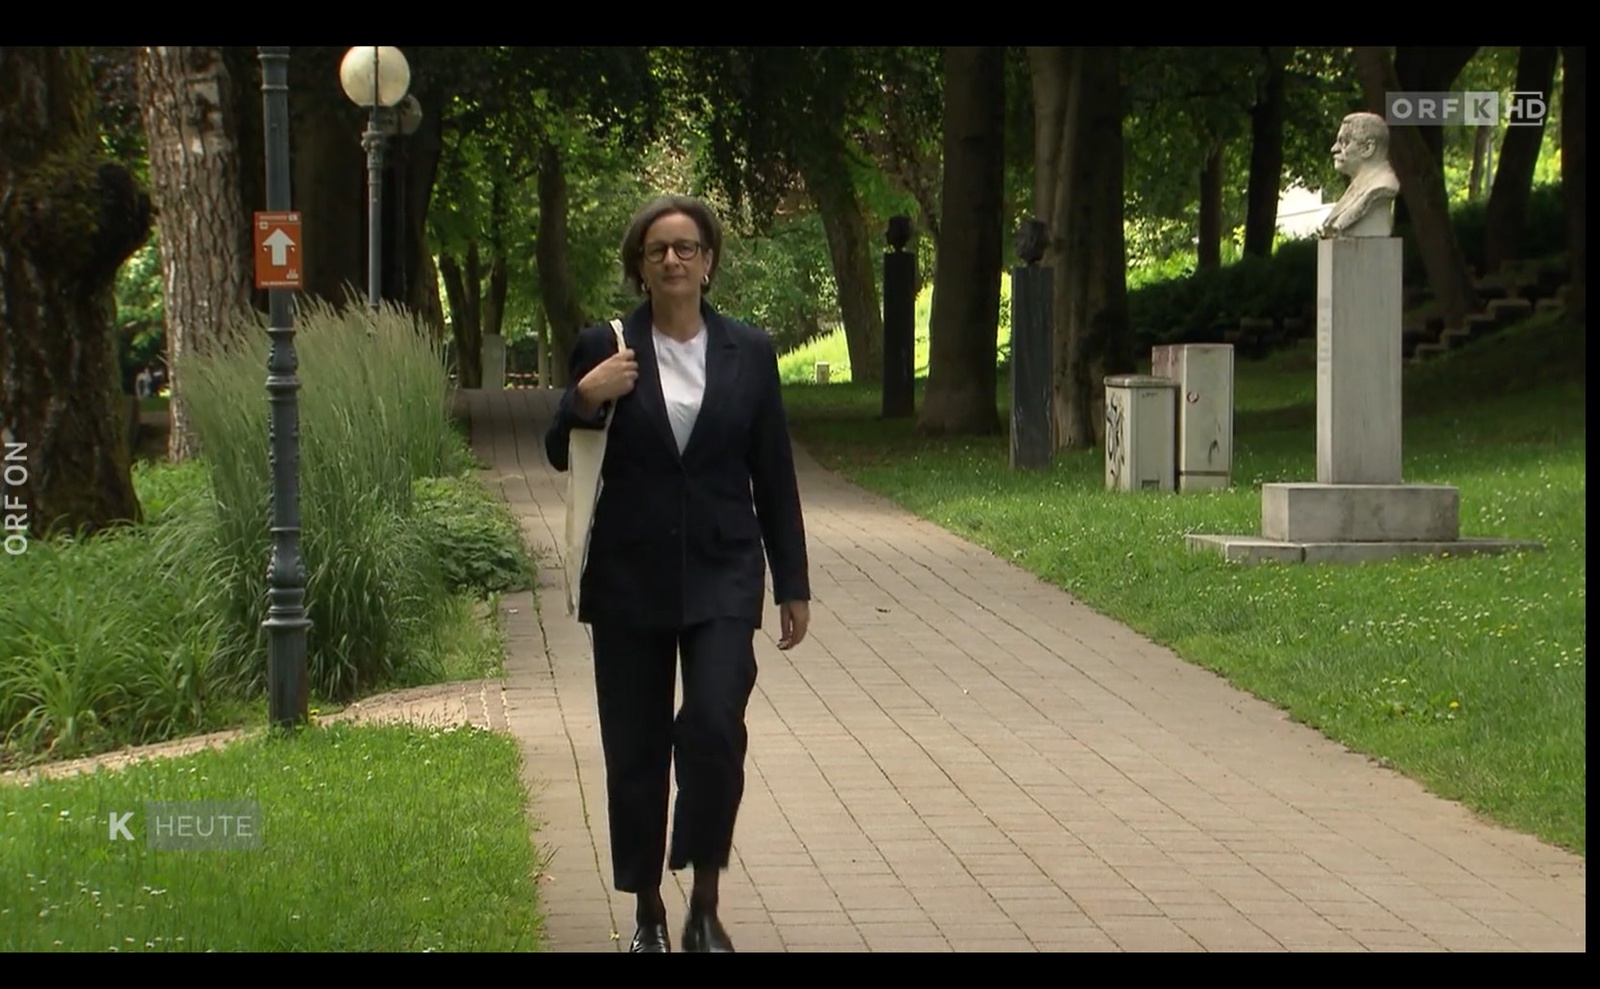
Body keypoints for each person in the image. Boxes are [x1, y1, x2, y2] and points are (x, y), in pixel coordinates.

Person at [543, 194, 812, 953]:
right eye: (657, 249)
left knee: (714, 728)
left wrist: (792, 583)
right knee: (635, 748)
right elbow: (559, 451)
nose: (672, 260)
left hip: (725, 570)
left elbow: (774, 470)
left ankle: (705, 904)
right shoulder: (607, 344)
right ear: (640, 264)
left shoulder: (748, 351)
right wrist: (584, 397)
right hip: (629, 576)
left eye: (686, 247)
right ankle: (648, 913)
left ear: (708, 261)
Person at [1320, 111, 1401, 239]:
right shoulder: (1357, 186)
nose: (1334, 149)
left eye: (1344, 142)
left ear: (1368, 148)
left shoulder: (1384, 185)